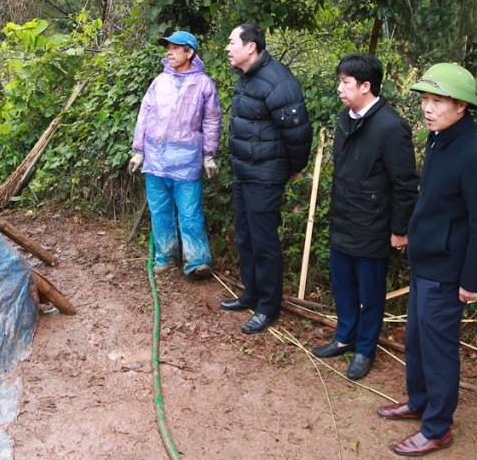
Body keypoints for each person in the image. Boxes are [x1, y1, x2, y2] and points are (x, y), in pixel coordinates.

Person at [376, 63, 477, 457]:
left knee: (439, 348)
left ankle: (437, 428)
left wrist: (472, 281)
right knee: (415, 340)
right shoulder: (438, 138)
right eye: (425, 100)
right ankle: (419, 402)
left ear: (462, 105)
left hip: (449, 269)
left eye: (437, 101)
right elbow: (433, 201)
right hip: (425, 258)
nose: (427, 109)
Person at [310, 54, 418, 380]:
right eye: (340, 81)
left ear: (366, 86)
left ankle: (365, 349)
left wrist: (400, 229)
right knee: (342, 286)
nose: (339, 88)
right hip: (344, 220)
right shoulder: (347, 119)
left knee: (370, 294)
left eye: (345, 82)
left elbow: (405, 184)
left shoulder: (391, 126)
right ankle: (344, 337)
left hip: (373, 225)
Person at [220, 23, 312, 334]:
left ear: (251, 47)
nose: (228, 48)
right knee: (245, 235)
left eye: (232, 42)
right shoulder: (247, 78)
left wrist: (295, 166)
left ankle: (268, 306)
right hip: (243, 171)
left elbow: (297, 131)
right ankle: (251, 293)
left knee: (264, 241)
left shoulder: (278, 80)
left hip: (265, 175)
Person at [129, 31, 222, 279]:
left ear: (189, 52)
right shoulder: (159, 82)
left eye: (175, 48)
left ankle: (196, 261)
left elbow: (212, 121)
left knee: (190, 212)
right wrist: (138, 152)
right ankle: (166, 256)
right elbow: (144, 115)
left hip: (187, 161)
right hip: (155, 159)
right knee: (160, 211)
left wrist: (208, 156)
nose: (169, 52)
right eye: (168, 48)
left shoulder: (203, 84)